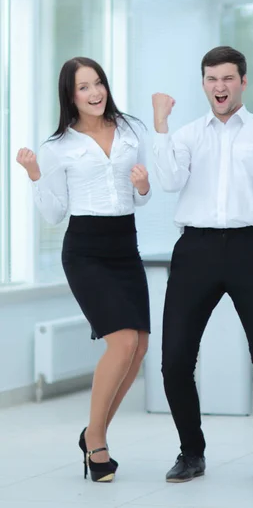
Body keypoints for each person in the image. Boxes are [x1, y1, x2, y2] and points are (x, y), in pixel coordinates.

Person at [152, 46, 253, 484]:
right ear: (204, 84)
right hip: (195, 250)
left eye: (228, 78)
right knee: (174, 361)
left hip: (251, 248)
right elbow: (170, 181)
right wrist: (161, 126)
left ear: (243, 82)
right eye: (212, 79)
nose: (220, 86)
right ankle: (191, 452)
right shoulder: (189, 134)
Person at [16, 57, 152, 483]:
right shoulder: (58, 147)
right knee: (122, 340)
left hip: (125, 245)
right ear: (69, 96)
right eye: (83, 87)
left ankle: (94, 433)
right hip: (86, 250)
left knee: (140, 346)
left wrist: (144, 185)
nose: (95, 93)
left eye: (98, 84)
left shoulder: (131, 131)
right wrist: (36, 174)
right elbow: (55, 212)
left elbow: (140, 197)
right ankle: (97, 441)